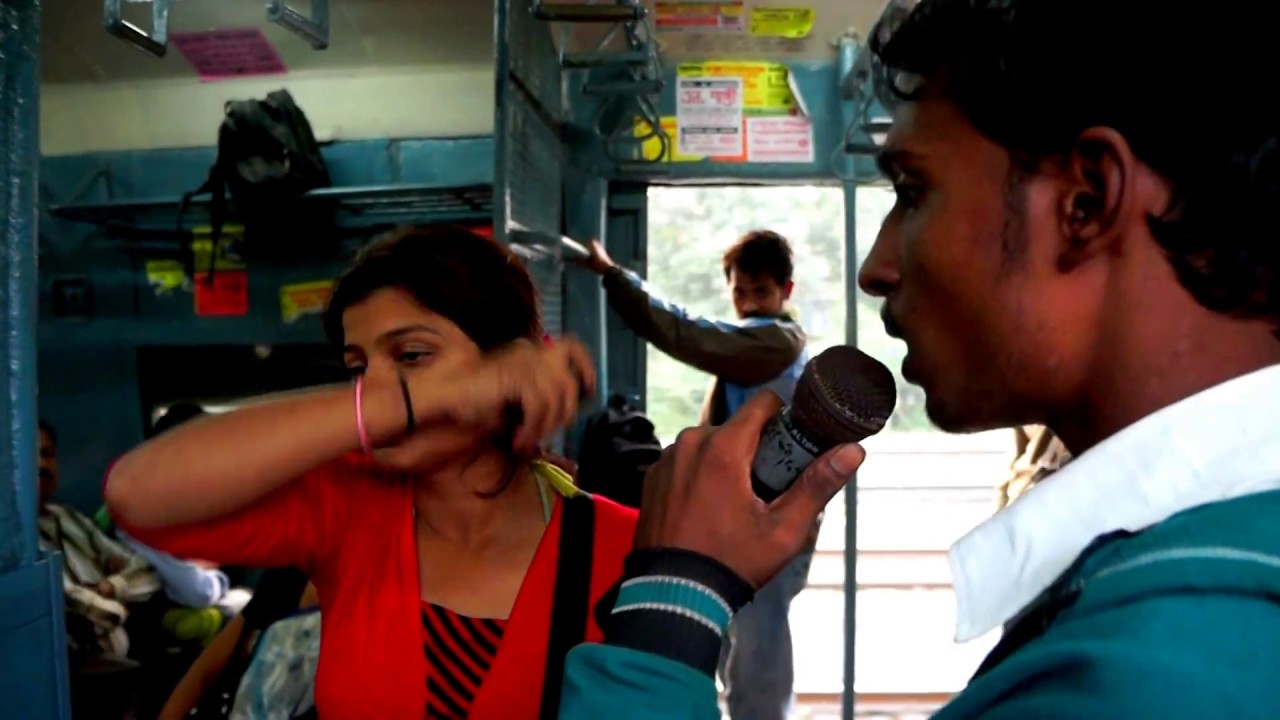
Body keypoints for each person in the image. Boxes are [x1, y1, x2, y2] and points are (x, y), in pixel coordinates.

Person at [556, 0, 1280, 717]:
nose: (876, 267)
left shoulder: (1147, 675)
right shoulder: (1202, 575)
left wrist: (666, 605)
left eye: (912, 190)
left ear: (1086, 202)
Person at [106, 225, 637, 719]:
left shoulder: (627, 549)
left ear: (512, 365)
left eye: (411, 354)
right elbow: (138, 493)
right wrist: (402, 401)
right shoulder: (345, 510)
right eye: (358, 368)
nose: (375, 388)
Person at [579, 230, 811, 720]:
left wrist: (616, 278)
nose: (749, 305)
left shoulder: (772, 341)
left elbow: (688, 332)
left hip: (767, 512)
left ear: (786, 292)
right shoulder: (761, 343)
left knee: (759, 637)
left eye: (761, 293)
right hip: (753, 507)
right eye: (740, 293)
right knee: (738, 627)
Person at [38, 419, 161, 660]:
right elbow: (68, 602)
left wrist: (108, 586)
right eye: (29, 456)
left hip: (118, 657)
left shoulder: (70, 518)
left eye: (47, 454)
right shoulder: (11, 538)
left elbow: (148, 573)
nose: (41, 464)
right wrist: (116, 602)